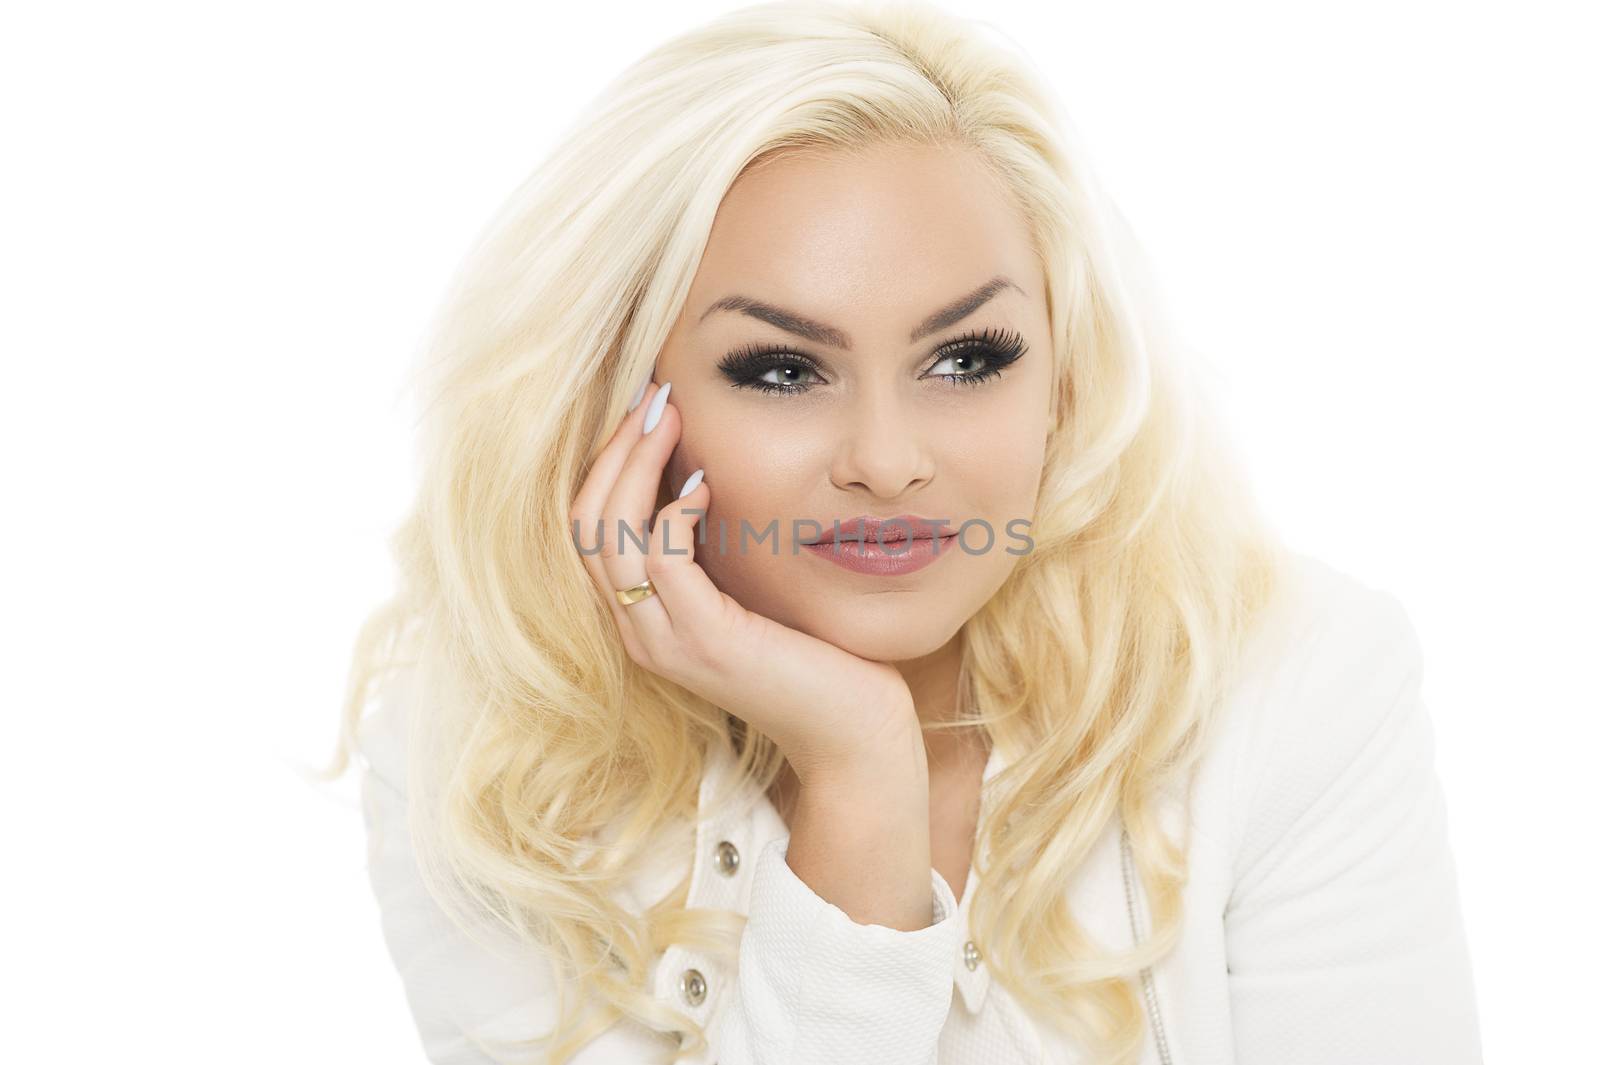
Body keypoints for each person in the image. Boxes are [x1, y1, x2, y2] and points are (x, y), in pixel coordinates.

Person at [320, 1, 1483, 1062]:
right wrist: (861, 781)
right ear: (624, 400)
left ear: (1061, 381)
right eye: (781, 369)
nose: (885, 460)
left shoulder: (1292, 685)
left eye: (966, 359)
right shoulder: (481, 760)